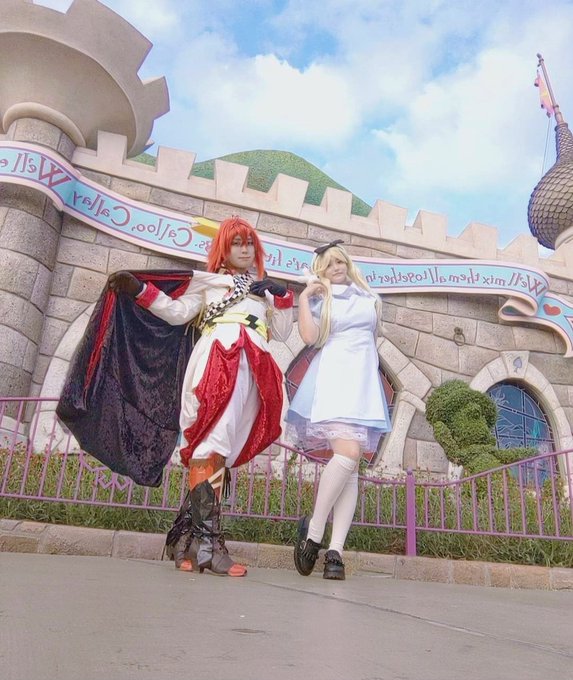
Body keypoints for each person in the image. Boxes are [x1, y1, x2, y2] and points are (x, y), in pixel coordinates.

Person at [108, 216, 293, 576]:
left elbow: (284, 332)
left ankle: (183, 540)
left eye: (249, 243)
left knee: (219, 452)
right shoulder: (208, 284)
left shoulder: (264, 290)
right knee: (210, 446)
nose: (245, 250)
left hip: (253, 367)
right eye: (237, 242)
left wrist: (281, 295)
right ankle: (208, 547)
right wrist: (140, 290)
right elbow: (177, 313)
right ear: (223, 247)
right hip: (216, 360)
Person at [286, 240, 391, 580]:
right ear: (322, 270)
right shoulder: (322, 298)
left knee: (353, 467)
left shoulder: (369, 297)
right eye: (329, 264)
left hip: (362, 383)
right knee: (348, 454)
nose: (336, 268)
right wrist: (306, 297)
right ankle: (314, 534)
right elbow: (310, 336)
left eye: (340, 261)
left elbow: (371, 341)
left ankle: (336, 553)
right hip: (333, 379)